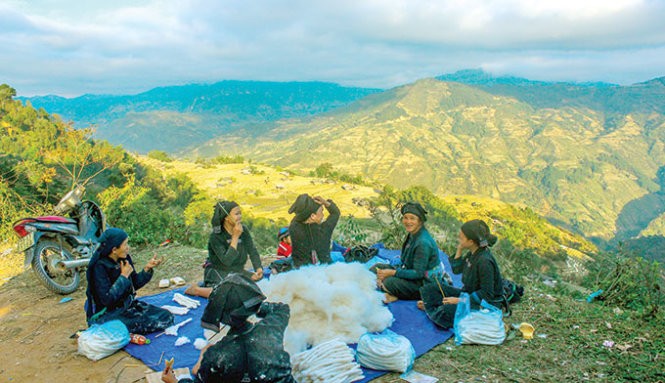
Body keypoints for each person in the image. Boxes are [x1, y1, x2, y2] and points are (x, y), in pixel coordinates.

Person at [162, 274, 296, 383]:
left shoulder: (218, 356)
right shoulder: (272, 328)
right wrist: (253, 306)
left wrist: (174, 381)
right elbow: (281, 309)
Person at [418, 219, 505, 329]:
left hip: (484, 304)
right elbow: (457, 270)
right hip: (467, 293)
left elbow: (487, 294)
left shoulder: (484, 261)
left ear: (471, 241)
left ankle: (434, 308)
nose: (459, 238)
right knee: (430, 288)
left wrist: (460, 300)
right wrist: (459, 249)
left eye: (462, 237)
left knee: (446, 311)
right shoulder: (473, 253)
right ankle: (433, 308)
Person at [85, 228, 174, 334]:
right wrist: (123, 276)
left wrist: (147, 269)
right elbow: (107, 300)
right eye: (125, 245)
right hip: (108, 313)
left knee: (166, 316)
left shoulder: (124, 259)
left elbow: (134, 284)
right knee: (143, 323)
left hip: (127, 306)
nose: (128, 248)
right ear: (114, 249)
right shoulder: (99, 267)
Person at [186, 201, 263, 298]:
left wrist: (258, 268)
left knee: (252, 290)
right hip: (218, 271)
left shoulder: (244, 230)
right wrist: (235, 237)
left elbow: (252, 250)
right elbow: (227, 261)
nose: (240, 216)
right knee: (228, 295)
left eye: (240, 213)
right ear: (226, 217)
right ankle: (196, 290)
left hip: (236, 270)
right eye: (236, 214)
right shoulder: (216, 236)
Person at [373, 202, 440, 303]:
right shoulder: (413, 234)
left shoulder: (423, 243)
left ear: (420, 221)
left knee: (388, 282)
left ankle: (393, 293)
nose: (408, 221)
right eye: (405, 217)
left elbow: (418, 273)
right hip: (410, 272)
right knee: (377, 268)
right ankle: (390, 291)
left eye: (412, 218)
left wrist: (393, 273)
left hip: (424, 283)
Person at [287, 194, 340, 268]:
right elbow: (335, 213)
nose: (323, 215)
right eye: (321, 211)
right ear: (312, 216)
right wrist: (324, 202)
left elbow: (299, 217)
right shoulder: (324, 230)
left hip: (301, 271)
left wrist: (307, 206)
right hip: (325, 270)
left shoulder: (294, 228)